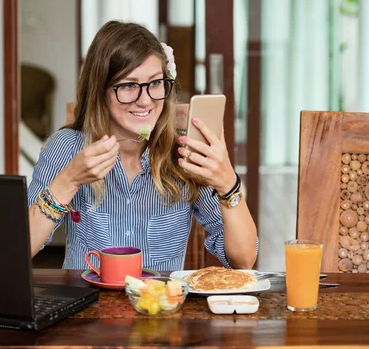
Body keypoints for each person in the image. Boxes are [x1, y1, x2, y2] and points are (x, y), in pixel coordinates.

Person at [27, 20, 257, 271]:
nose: (145, 100)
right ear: (99, 90)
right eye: (128, 85)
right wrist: (68, 181)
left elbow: (243, 260)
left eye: (155, 83)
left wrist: (228, 185)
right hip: (87, 307)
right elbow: (23, 248)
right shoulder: (67, 148)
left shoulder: (185, 153)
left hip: (160, 306)